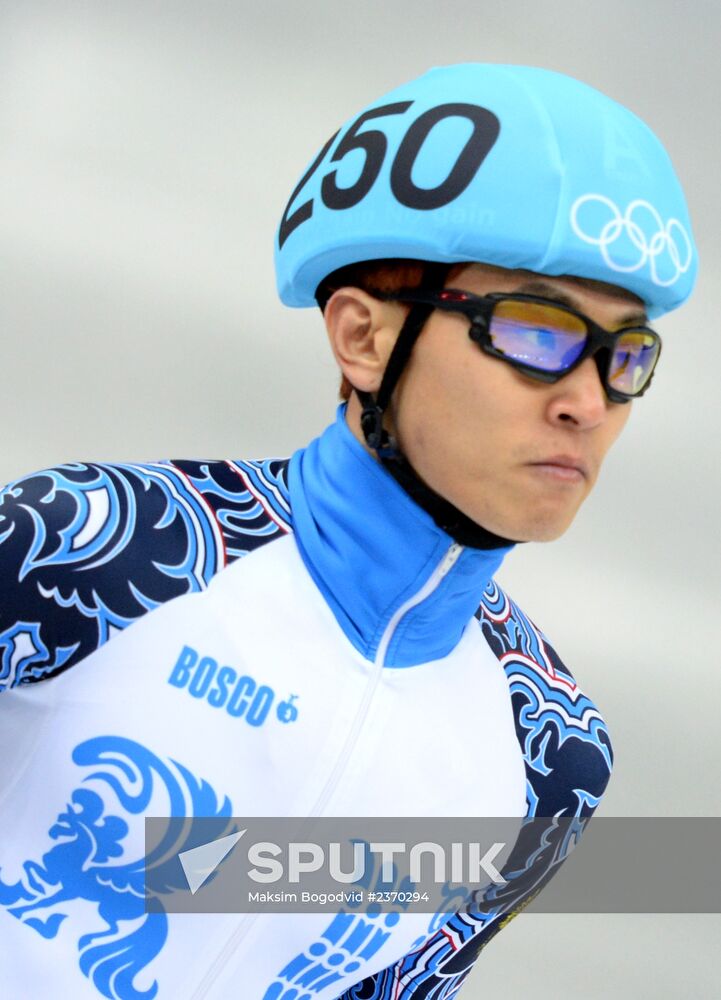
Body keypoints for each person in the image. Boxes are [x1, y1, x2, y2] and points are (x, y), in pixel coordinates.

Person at [0, 63, 696, 999]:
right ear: (363, 339)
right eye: (535, 330)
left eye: (625, 353)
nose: (586, 400)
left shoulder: (550, 752)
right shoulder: (96, 543)